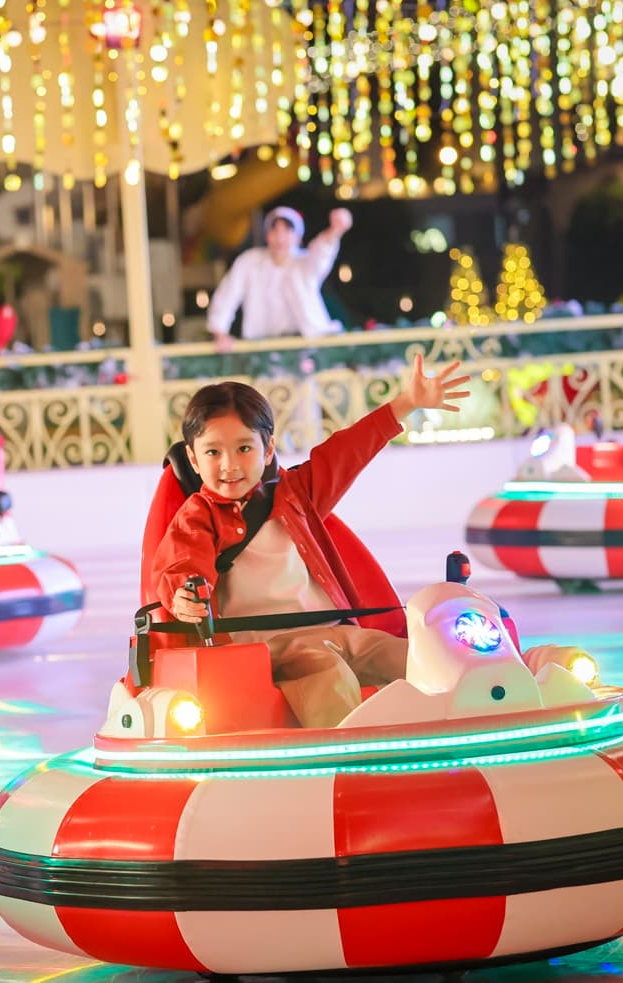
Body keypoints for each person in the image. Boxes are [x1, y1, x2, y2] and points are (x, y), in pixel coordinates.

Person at [149, 355, 471, 728]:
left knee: (416, 656)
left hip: (338, 631)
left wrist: (406, 403)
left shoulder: (297, 493)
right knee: (326, 672)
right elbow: (181, 565)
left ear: (268, 449)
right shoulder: (197, 516)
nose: (229, 465)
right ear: (192, 457)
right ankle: (350, 763)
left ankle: (468, 721)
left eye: (243, 448)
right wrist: (184, 596)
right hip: (269, 646)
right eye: (212, 452)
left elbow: (347, 451)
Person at [206, 206, 351, 352]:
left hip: (304, 346)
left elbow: (322, 253)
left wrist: (335, 230)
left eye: (287, 230)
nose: (280, 237)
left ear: (297, 237)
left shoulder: (304, 263)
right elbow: (227, 295)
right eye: (274, 230)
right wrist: (220, 333)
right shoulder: (249, 261)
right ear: (267, 235)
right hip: (260, 346)